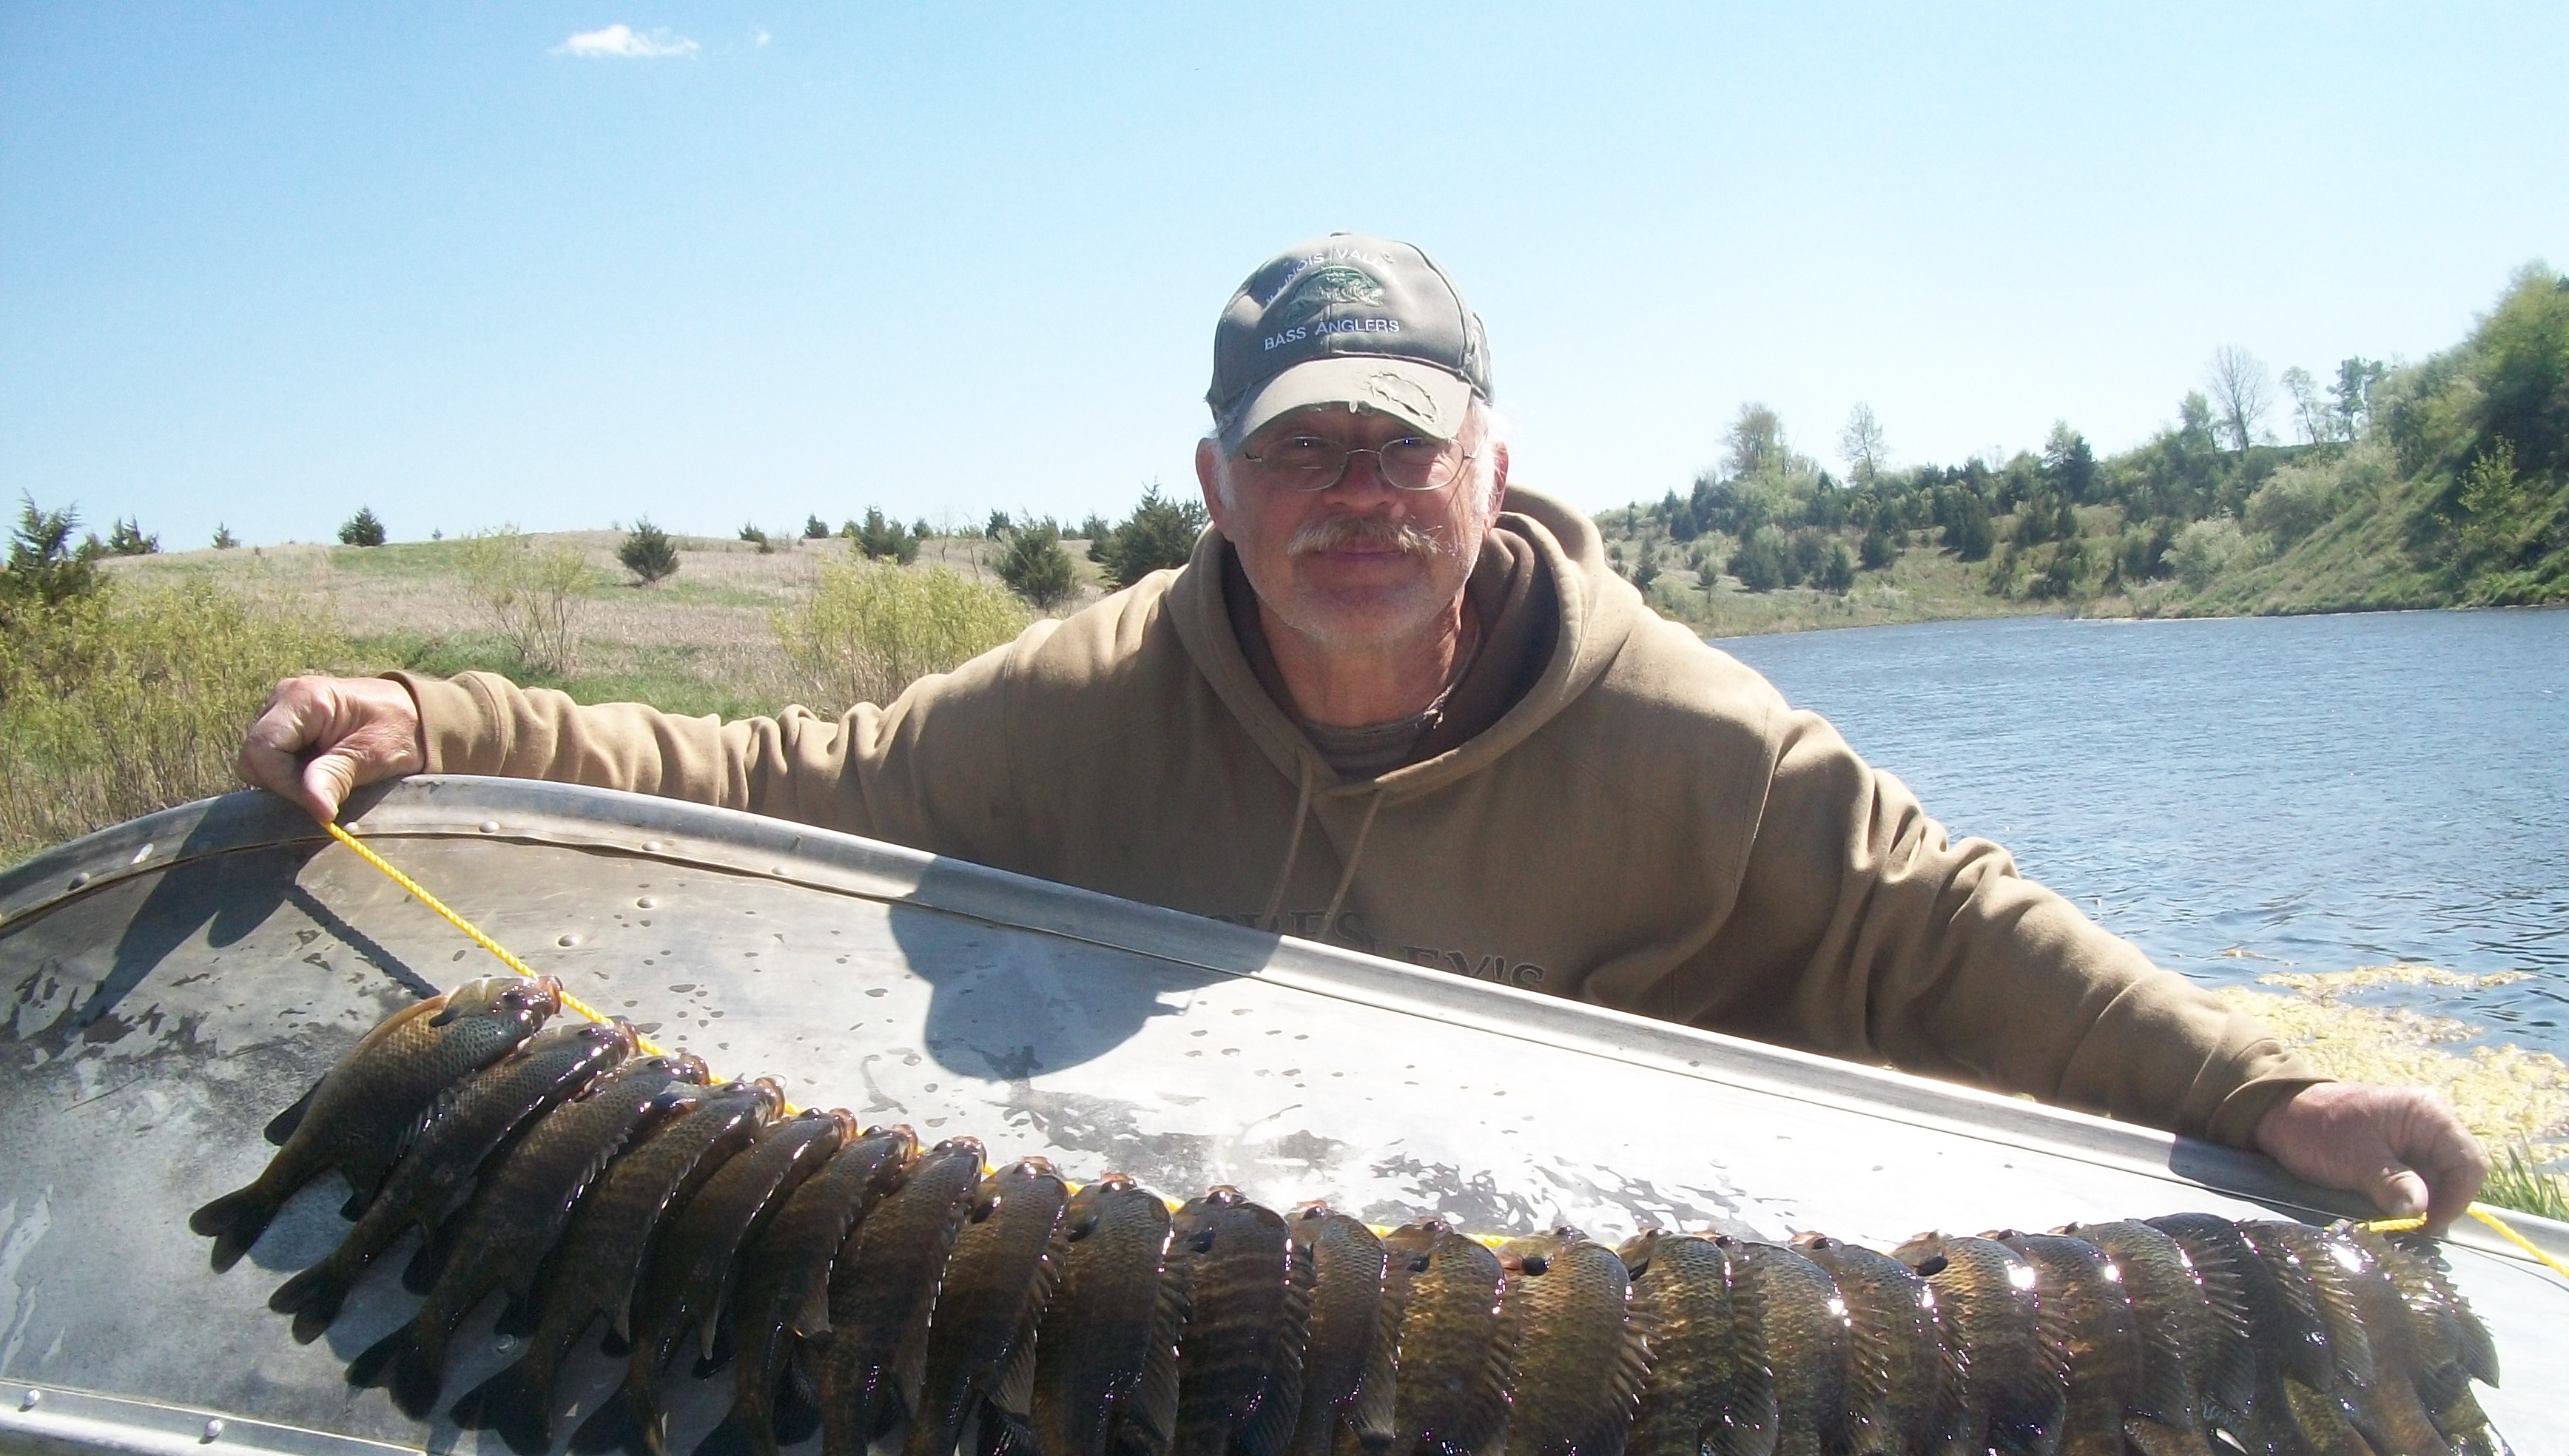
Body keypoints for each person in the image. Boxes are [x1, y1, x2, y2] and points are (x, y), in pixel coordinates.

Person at [238, 234, 2486, 1230]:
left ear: (1492, 472)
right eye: (1300, 449)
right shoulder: (1083, 702)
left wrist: (2261, 1092)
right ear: (1214, 486)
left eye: (1402, 445)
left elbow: (1946, 927)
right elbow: (774, 784)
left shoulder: (1688, 734)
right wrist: (435, 711)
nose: (1356, 496)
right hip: (1216, 1300)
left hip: (1579, 1303)